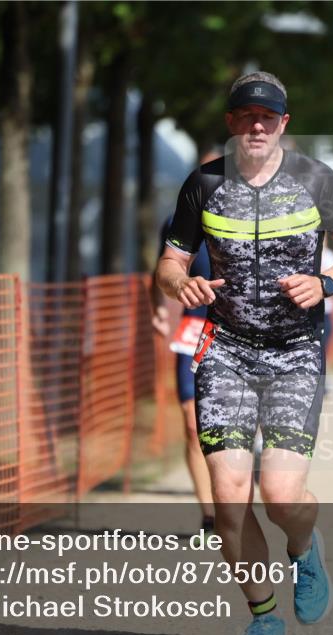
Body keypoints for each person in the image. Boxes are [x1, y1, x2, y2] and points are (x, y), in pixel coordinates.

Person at [155, 71, 333, 635]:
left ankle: (304, 549)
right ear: (232, 122)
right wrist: (181, 284)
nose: (257, 125)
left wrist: (327, 282)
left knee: (280, 494)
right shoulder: (203, 184)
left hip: (294, 351)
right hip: (225, 350)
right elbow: (169, 264)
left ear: (284, 123)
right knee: (229, 498)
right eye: (247, 115)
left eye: (268, 116)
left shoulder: (316, 179)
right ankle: (263, 618)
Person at [150, 153, 222, 541]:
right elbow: (163, 269)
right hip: (193, 329)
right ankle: (210, 516)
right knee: (193, 426)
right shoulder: (179, 219)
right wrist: (159, 311)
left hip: (240, 330)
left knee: (234, 429)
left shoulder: (255, 219)